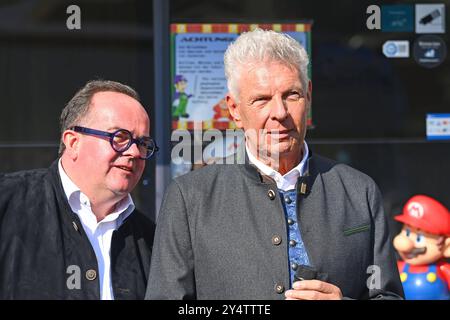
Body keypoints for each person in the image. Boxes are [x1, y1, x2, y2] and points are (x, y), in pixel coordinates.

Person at [146, 28, 403, 300]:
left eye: (292, 95)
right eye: (262, 99)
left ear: (309, 97)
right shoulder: (191, 198)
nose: (279, 113)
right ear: (234, 110)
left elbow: (389, 296)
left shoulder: (359, 191)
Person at [0, 80, 158, 299]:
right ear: (73, 142)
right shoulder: (9, 203)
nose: (133, 152)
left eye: (142, 143)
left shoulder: (152, 240)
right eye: (120, 137)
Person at [393, 195, 450, 300]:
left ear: (447, 246)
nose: (406, 245)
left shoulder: (444, 270)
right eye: (407, 233)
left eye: (419, 238)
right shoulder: (397, 268)